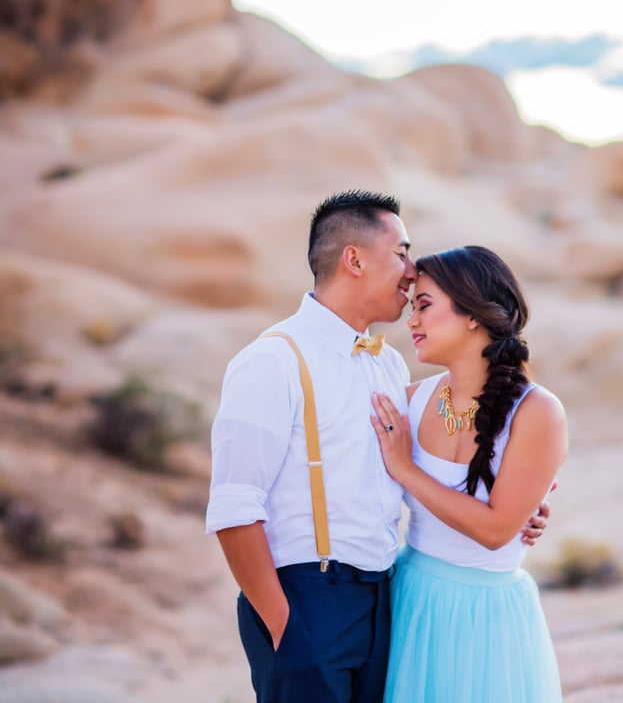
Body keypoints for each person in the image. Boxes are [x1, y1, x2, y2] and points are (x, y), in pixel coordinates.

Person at [206, 191, 551, 703]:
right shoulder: (272, 361)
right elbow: (235, 507)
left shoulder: (388, 367)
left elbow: (474, 453)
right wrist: (284, 627)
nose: (411, 271)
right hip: (308, 600)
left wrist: (525, 503)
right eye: (401, 252)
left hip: (389, 600)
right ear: (354, 259)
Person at [370, 245, 568, 703]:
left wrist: (405, 469)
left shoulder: (536, 411)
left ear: (473, 314)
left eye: (424, 306)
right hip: (409, 601)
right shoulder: (409, 399)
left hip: (487, 618)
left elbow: (497, 530)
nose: (411, 321)